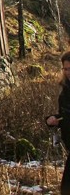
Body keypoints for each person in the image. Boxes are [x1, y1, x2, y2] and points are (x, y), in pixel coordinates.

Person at [47, 50, 70, 195]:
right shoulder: (65, 90)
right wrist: (53, 120)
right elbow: (65, 116)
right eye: (65, 69)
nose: (68, 72)